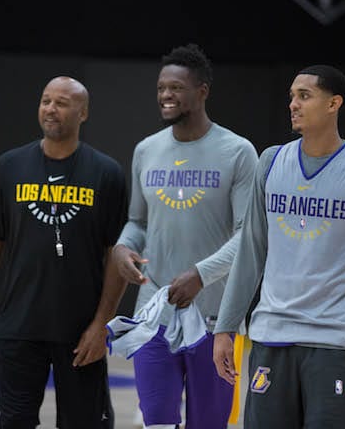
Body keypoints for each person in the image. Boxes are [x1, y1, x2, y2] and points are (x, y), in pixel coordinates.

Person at [213, 65, 345, 428]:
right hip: (271, 337)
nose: (293, 105)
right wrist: (226, 327)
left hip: (332, 343)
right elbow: (251, 250)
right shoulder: (270, 162)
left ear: (334, 104)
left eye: (304, 96)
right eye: (291, 97)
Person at [0, 76, 128, 428]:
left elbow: (117, 254)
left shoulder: (106, 173)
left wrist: (101, 325)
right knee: (15, 421)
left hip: (80, 330)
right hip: (19, 325)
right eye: (45, 101)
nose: (51, 109)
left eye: (62, 102)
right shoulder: (9, 166)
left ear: (83, 113)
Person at [111, 43, 259, 429]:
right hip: (154, 311)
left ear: (202, 91)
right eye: (161, 88)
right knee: (156, 422)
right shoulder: (146, 150)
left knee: (208, 424)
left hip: (214, 319)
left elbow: (250, 235)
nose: (165, 96)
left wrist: (201, 274)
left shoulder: (238, 152)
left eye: (176, 88)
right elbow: (137, 221)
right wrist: (124, 246)